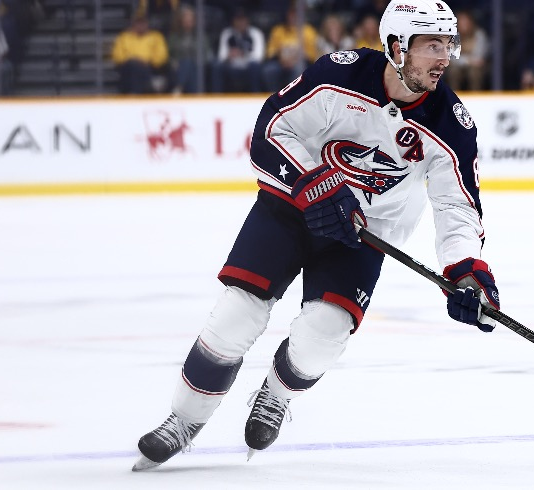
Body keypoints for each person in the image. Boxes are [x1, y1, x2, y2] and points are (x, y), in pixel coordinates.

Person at [132, 0, 499, 471]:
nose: (444, 56)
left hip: (365, 232)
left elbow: (457, 207)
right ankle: (184, 419)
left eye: (448, 44)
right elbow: (271, 127)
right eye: (431, 45)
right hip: (290, 206)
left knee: (322, 335)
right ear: (396, 47)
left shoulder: (450, 123)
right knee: (235, 316)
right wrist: (314, 183)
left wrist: (467, 271)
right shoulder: (339, 75)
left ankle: (277, 395)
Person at [262, 5, 319, 92]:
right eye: (291, 14)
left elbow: (312, 55)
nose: (293, 17)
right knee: (269, 70)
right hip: (281, 62)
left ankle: (293, 98)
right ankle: (273, 96)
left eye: (296, 15)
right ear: (287, 15)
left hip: (299, 62)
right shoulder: (278, 30)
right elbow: (270, 52)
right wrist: (280, 57)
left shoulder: (308, 31)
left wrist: (297, 57)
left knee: (299, 70)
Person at [111, 14, 169, 94]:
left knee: (138, 69)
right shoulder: (124, 37)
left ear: (147, 24)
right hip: (128, 67)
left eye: (143, 23)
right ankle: (144, 88)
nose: (140, 26)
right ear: (133, 24)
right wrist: (134, 60)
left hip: (149, 66)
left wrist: (147, 61)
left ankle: (136, 93)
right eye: (138, 23)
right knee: (134, 66)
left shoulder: (156, 37)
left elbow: (161, 55)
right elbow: (117, 56)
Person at [211, 8, 265, 93]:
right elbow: (221, 56)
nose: (240, 23)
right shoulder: (227, 33)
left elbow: (259, 57)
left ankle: (255, 96)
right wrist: (229, 55)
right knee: (217, 66)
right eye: (238, 20)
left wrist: (244, 53)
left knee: (255, 67)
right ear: (233, 21)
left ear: (247, 21)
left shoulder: (255, 33)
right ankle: (217, 97)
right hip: (232, 67)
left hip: (248, 67)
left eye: (243, 20)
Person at [166, 5, 209, 94]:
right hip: (177, 67)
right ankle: (195, 94)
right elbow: (168, 54)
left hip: (196, 66)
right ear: (181, 21)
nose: (188, 23)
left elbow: (206, 54)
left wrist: (198, 62)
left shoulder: (200, 36)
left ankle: (179, 88)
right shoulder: (174, 36)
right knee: (186, 64)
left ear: (194, 22)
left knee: (190, 64)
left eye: (190, 20)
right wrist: (172, 62)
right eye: (185, 20)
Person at [444, 10, 488, 91]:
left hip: (475, 67)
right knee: (453, 70)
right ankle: (454, 96)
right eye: (461, 22)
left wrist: (468, 60)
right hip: (459, 66)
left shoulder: (479, 35)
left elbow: (479, 58)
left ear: (471, 22)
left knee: (474, 71)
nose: (464, 25)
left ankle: (475, 96)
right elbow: (453, 59)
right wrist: (468, 61)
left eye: (466, 22)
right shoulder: (455, 36)